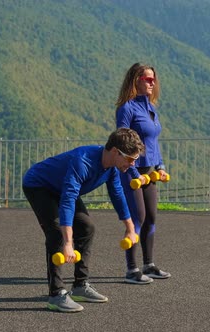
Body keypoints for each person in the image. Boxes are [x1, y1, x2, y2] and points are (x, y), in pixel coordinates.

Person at [22, 128, 144, 313]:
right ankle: (56, 294)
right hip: (39, 185)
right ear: (114, 152)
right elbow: (68, 200)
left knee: (87, 227)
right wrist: (69, 243)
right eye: (130, 159)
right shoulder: (83, 161)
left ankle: (80, 285)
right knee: (56, 234)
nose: (132, 164)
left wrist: (130, 228)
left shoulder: (111, 168)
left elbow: (117, 194)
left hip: (60, 188)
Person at [115, 62, 171, 284]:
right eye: (147, 79)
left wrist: (161, 166)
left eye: (153, 79)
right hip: (132, 172)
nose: (152, 82)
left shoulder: (151, 108)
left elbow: (153, 142)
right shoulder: (126, 109)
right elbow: (121, 141)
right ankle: (131, 269)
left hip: (150, 171)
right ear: (135, 80)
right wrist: (132, 172)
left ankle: (149, 264)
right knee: (137, 217)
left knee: (151, 217)